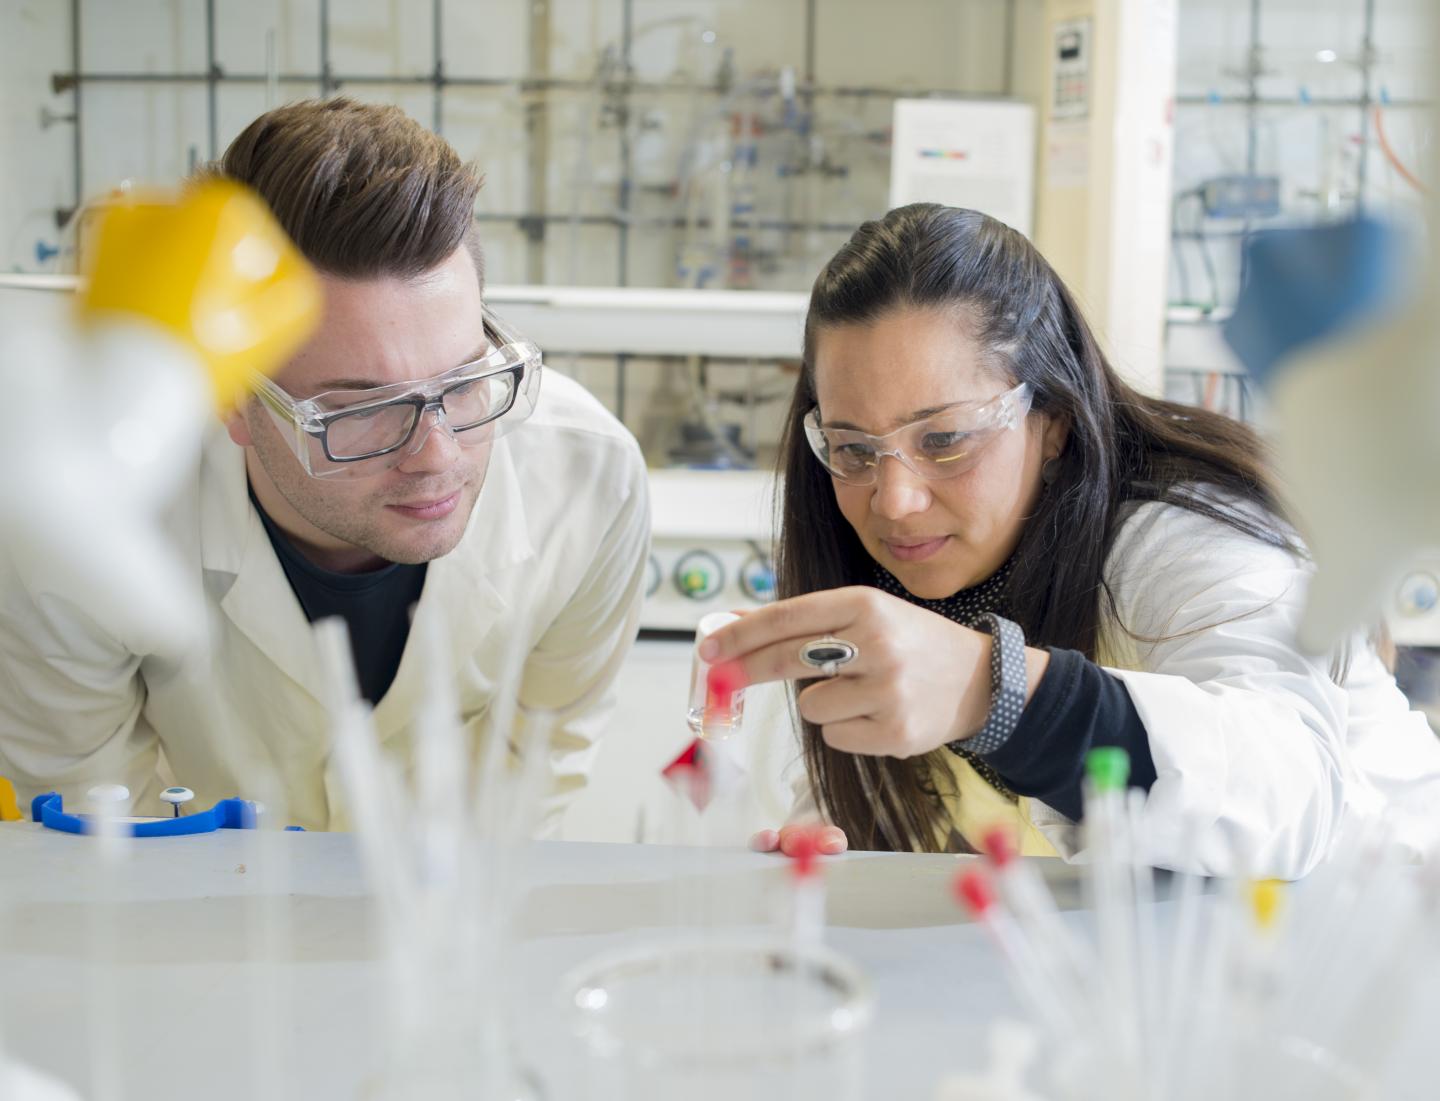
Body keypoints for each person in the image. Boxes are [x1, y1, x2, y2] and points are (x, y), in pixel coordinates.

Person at [701, 203, 1440, 877]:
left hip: (1387, 943)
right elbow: (928, 827)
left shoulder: (1182, 533)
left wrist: (999, 692)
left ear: (1050, 419)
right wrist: (839, 856)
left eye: (947, 438)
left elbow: (1284, 800)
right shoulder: (883, 566)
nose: (894, 499)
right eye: (854, 447)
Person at [0, 98, 650, 833]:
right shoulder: (79, 518)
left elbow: (539, 758)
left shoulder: (592, 481)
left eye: (465, 381)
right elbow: (89, 809)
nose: (436, 455)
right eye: (358, 410)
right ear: (235, 401)